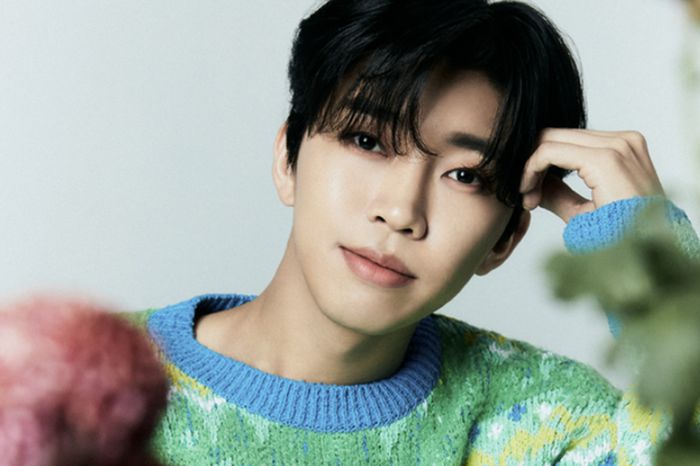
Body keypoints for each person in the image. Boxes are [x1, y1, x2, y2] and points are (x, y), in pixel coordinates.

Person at [121, 0, 699, 464]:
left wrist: (656, 266)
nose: (401, 212)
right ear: (288, 159)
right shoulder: (91, 384)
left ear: (504, 240)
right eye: (368, 141)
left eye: (466, 175)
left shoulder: (548, 425)